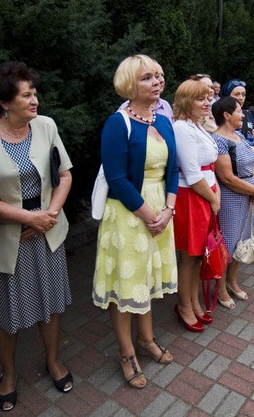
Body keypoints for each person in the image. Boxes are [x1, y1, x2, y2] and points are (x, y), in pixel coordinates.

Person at [0, 61, 74, 411]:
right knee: (6, 313)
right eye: (26, 95)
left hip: (46, 235)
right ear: (4, 102)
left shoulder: (46, 125)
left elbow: (64, 175)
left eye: (35, 93)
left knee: (50, 307)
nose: (35, 101)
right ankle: (9, 373)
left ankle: (53, 360)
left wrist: (48, 216)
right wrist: (27, 218)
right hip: (6, 240)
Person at [93, 54, 178, 389]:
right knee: (127, 287)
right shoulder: (118, 123)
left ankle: (147, 339)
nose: (156, 82)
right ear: (129, 84)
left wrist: (169, 210)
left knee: (147, 280)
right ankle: (126, 351)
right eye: (147, 77)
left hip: (161, 209)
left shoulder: (163, 120)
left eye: (158, 76)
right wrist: (149, 214)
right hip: (129, 215)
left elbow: (174, 170)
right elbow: (116, 177)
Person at [172, 79, 219, 332]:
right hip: (192, 196)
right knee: (189, 257)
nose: (207, 102)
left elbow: (210, 165)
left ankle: (193, 301)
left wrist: (216, 194)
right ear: (186, 102)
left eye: (208, 97)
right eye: (201, 98)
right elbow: (191, 174)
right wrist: (213, 199)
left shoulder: (197, 125)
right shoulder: (181, 128)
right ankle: (184, 306)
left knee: (200, 255)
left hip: (206, 193)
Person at [212, 97, 254, 308]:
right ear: (226, 114)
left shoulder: (239, 136)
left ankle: (233, 282)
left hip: (249, 195)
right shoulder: (218, 140)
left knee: (240, 241)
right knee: (228, 243)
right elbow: (226, 178)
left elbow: (252, 163)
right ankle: (220, 288)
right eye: (239, 111)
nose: (243, 115)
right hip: (232, 198)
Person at [221, 78, 254, 154]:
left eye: (243, 94)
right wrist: (250, 149)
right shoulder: (223, 116)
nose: (241, 98)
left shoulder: (247, 113)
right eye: (236, 94)